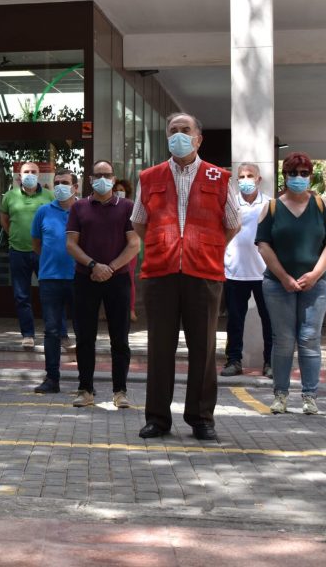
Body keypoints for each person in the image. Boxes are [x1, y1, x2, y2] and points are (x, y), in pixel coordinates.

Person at [132, 113, 239, 441]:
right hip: (160, 273)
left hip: (203, 273)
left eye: (185, 130)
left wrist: (203, 247)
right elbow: (139, 221)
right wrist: (165, 245)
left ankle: (201, 418)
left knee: (204, 350)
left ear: (198, 139)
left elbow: (232, 223)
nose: (178, 135)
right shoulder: (149, 177)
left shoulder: (219, 176)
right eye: (173, 131)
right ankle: (157, 419)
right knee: (159, 348)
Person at [255, 152, 326, 415]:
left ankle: (309, 396)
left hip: (317, 285)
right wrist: (283, 277)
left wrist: (314, 274)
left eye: (304, 173)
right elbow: (263, 244)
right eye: (293, 173)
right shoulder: (271, 207)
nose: (299, 178)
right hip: (278, 284)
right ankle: (280, 395)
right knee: (283, 340)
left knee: (309, 339)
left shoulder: (322, 204)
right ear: (285, 175)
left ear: (310, 176)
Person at [65, 161, 139, 409]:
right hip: (85, 278)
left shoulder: (127, 207)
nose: (102, 179)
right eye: (98, 175)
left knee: (120, 338)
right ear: (90, 179)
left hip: (117, 280)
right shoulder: (79, 207)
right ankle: (85, 389)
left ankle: (120, 391)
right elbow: (71, 244)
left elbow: (134, 245)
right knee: (85, 337)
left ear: (114, 178)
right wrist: (94, 265)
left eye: (107, 175)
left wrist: (111, 268)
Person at [221, 163, 273, 378]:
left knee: (270, 320)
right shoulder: (228, 204)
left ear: (259, 179)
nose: (245, 179)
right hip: (234, 272)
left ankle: (271, 362)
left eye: (250, 175)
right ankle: (234, 361)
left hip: (265, 273)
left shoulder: (271, 204)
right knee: (234, 320)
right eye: (241, 176)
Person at [30, 168, 79, 394]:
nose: (60, 186)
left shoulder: (83, 211)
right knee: (51, 331)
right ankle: (52, 379)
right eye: (57, 182)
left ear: (75, 187)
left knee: (83, 330)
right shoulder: (43, 212)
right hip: (50, 279)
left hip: (79, 279)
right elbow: (37, 244)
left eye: (65, 182)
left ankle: (85, 382)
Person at [0, 161, 53, 349]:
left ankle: (52, 331)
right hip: (17, 251)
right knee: (21, 296)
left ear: (39, 175)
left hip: (42, 252)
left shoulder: (49, 196)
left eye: (33, 172)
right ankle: (28, 334)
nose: (30, 174)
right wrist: (14, 235)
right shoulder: (10, 196)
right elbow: (4, 219)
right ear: (19, 176)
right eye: (26, 172)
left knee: (47, 293)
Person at [113, 178, 138, 323]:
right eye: (115, 190)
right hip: (112, 249)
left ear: (126, 192)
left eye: (121, 190)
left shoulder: (131, 206)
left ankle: (131, 309)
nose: (118, 193)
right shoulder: (107, 207)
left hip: (129, 249)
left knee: (129, 279)